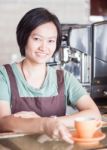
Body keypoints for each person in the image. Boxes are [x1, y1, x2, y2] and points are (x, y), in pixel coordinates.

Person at [0, 7, 101, 144]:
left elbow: (94, 114)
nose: (44, 47)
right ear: (24, 38)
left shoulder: (64, 78)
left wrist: (53, 122)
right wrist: (44, 124)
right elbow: (3, 122)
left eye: (51, 41)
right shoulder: (4, 75)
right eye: (37, 39)